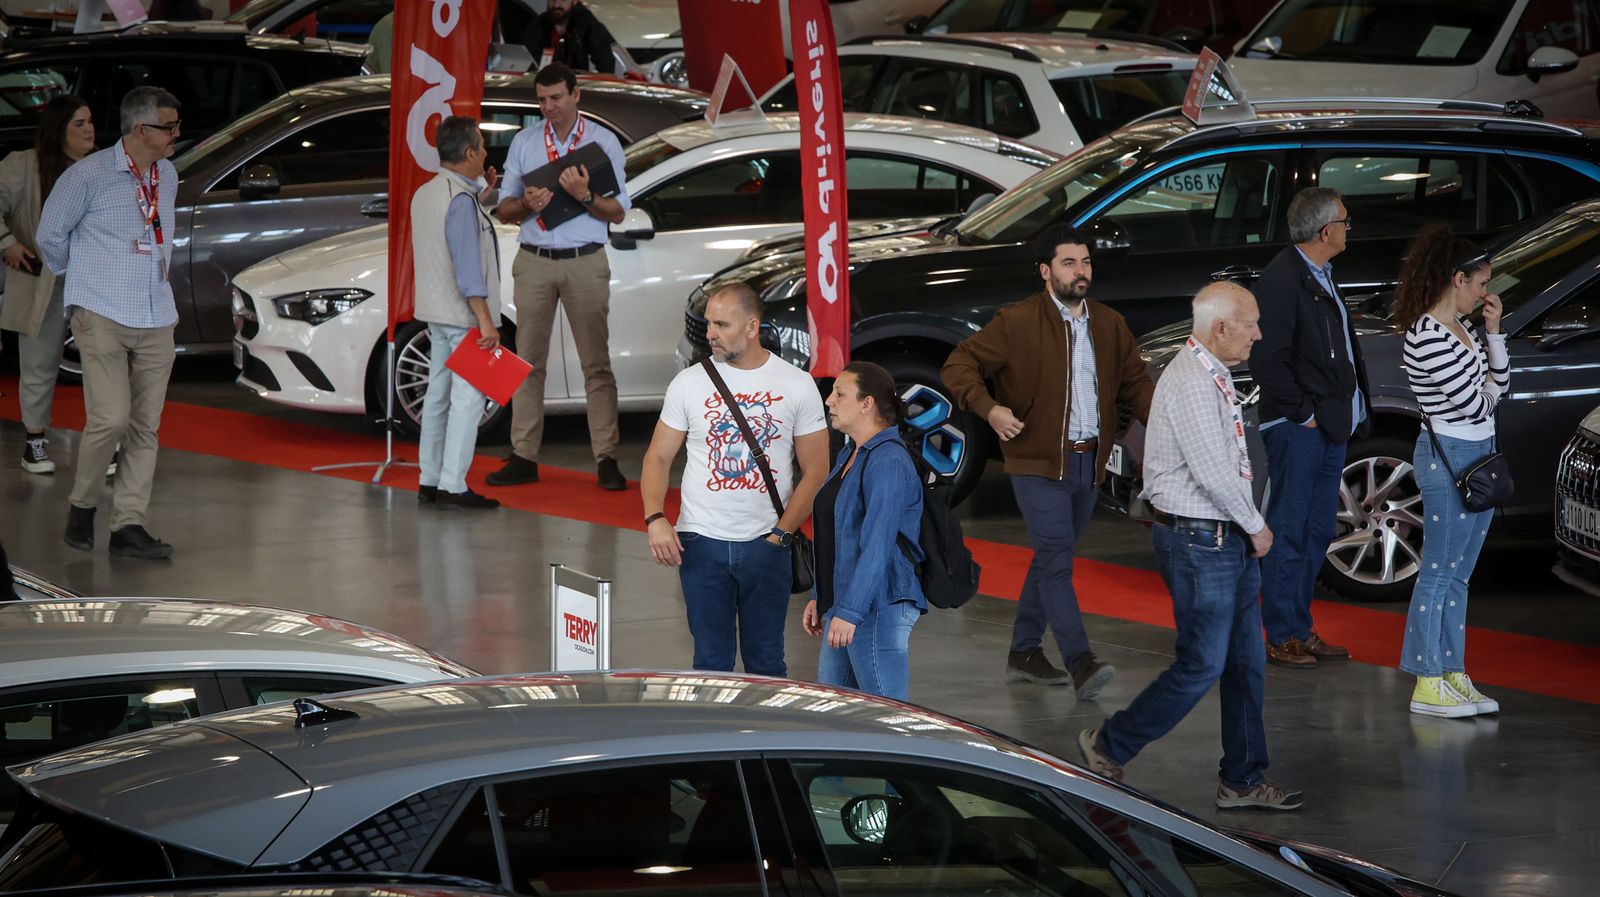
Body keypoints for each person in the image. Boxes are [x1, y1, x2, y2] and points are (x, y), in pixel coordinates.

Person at [1077, 282, 1302, 811]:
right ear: (1220, 328)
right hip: (1203, 540)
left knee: (1246, 663)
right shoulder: (1193, 383)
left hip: (1223, 539)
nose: (1259, 334)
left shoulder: (1209, 372)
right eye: (1251, 324)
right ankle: (1108, 742)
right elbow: (1214, 474)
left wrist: (1246, 529)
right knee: (1202, 663)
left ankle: (1243, 779)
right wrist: (1258, 526)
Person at [941, 225, 1154, 698]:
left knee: (1050, 559)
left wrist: (1167, 426)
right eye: (1069, 263)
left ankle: (1024, 651)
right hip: (1036, 465)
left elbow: (1136, 383)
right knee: (1058, 563)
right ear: (1045, 271)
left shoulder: (1108, 323)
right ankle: (1080, 661)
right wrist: (988, 408)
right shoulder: (1016, 323)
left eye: (1086, 263)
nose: (1081, 272)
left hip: (1087, 464)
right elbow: (959, 365)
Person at [640, 282, 829, 675]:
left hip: (768, 545)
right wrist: (655, 518)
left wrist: (781, 535)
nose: (710, 333)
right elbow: (658, 456)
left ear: (751, 326)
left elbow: (817, 470)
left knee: (766, 662)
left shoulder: (796, 384)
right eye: (709, 323)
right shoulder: (689, 382)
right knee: (709, 663)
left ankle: (766, 738)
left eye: (722, 324)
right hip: (700, 544)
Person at [37, 87, 182, 561]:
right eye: (169, 126)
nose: (176, 134)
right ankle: (83, 505)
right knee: (111, 417)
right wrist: (81, 281)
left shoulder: (169, 175)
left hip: (157, 312)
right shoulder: (88, 176)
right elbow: (49, 237)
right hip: (101, 310)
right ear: (141, 130)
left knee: (146, 425)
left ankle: (129, 525)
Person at [488, 63, 629, 492]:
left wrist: (585, 197)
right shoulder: (525, 142)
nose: (549, 107)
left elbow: (618, 212)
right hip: (534, 258)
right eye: (542, 99)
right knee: (525, 363)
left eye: (556, 98)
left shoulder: (602, 142)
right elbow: (503, 210)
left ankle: (606, 458)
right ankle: (523, 455)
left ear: (575, 95)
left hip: (585, 259)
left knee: (596, 365)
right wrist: (526, 204)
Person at [1392, 226, 1506, 718]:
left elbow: (1495, 391)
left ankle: (1453, 671)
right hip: (1448, 459)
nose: (1486, 293)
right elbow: (1473, 400)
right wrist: (1485, 388)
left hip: (1477, 456)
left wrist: (1495, 336)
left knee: (1458, 575)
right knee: (1437, 573)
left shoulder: (1464, 331)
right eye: (1481, 282)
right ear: (1457, 278)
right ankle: (1427, 678)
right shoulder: (1426, 336)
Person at [1250, 187, 1366, 669]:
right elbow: (1266, 359)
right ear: (1325, 231)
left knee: (1316, 530)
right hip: (1301, 428)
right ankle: (1281, 634)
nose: (1348, 227)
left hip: (1327, 427)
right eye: (1344, 220)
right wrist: (1304, 413)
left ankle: (1299, 628)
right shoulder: (1282, 281)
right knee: (1291, 530)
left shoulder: (1320, 273)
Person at [802, 361, 926, 700]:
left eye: (840, 394)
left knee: (888, 720)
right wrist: (820, 595)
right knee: (834, 718)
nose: (829, 401)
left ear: (866, 404)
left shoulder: (887, 461)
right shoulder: (849, 453)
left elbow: (877, 546)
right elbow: (835, 535)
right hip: (846, 605)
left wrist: (851, 612)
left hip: (876, 607)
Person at [412, 115, 502, 511]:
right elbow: (467, 267)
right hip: (464, 315)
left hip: (435, 311)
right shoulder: (459, 202)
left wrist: (482, 196)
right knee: (468, 400)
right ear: (468, 153)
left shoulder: (427, 193)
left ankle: (429, 478)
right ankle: (454, 484)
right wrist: (484, 318)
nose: (485, 153)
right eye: (481, 147)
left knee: (438, 395)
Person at [0, 95, 94, 475]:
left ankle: (107, 444)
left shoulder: (102, 167)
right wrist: (7, 242)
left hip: (93, 284)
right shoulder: (23, 165)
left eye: (89, 122)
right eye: (79, 124)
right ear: (58, 130)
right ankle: (35, 442)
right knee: (38, 363)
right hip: (44, 281)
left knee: (103, 364)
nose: (89, 130)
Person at [520, 0, 619, 75]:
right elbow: (527, 65)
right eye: (552, 0)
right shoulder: (536, 27)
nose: (556, 5)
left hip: (577, 87)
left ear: (575, 1)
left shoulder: (584, 21)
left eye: (563, 0)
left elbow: (605, 59)